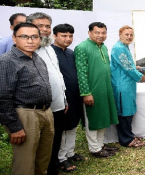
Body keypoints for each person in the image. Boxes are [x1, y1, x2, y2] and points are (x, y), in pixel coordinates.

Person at [0, 22, 54, 175]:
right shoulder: (7, 61)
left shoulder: (37, 58)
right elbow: (3, 97)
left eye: (34, 37)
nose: (30, 41)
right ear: (14, 38)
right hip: (25, 114)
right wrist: (14, 127)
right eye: (24, 36)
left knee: (42, 159)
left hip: (45, 112)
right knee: (25, 163)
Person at [27, 12, 69, 175]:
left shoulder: (49, 48)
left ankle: (52, 169)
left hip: (57, 104)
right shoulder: (28, 50)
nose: (44, 30)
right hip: (38, 108)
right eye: (40, 26)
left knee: (55, 139)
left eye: (47, 26)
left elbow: (57, 75)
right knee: (37, 144)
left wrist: (64, 99)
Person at [74, 22, 119, 158]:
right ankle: (94, 149)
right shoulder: (82, 47)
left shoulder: (103, 47)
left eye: (103, 33)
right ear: (89, 33)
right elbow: (81, 72)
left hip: (105, 89)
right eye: (97, 32)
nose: (100, 35)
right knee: (93, 120)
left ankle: (100, 145)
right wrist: (86, 93)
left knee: (103, 117)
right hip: (92, 91)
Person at [51, 24, 85, 172]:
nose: (68, 39)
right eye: (64, 35)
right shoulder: (51, 53)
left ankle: (70, 153)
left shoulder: (71, 53)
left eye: (70, 36)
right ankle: (61, 158)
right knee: (63, 128)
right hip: (61, 98)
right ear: (55, 36)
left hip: (75, 96)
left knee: (73, 125)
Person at [111, 25, 145, 148]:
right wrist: (140, 77)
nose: (129, 37)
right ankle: (126, 140)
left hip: (127, 83)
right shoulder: (119, 48)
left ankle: (129, 135)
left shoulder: (124, 47)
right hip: (122, 85)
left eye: (131, 35)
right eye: (126, 34)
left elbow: (127, 64)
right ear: (120, 34)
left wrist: (136, 68)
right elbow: (127, 68)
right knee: (124, 112)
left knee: (128, 111)